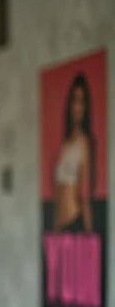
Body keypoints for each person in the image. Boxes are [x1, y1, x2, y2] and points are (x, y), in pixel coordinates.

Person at [53, 74, 95, 233]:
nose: (77, 106)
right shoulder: (65, 145)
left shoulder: (83, 142)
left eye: (81, 101)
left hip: (75, 220)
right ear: (70, 104)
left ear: (85, 107)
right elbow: (58, 195)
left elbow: (84, 194)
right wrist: (56, 228)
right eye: (75, 100)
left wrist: (89, 232)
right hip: (62, 225)